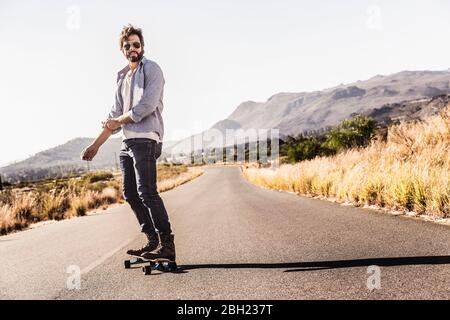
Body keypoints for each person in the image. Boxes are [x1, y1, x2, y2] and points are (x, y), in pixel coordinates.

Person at [80, 24, 175, 262]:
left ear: (142, 46)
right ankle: (152, 240)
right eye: (127, 45)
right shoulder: (122, 77)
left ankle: (167, 245)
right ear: (122, 49)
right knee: (131, 193)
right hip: (127, 143)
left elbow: (146, 107)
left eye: (136, 44)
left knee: (147, 192)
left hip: (146, 138)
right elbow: (113, 118)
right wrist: (95, 146)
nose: (132, 48)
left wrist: (118, 120)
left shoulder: (153, 69)